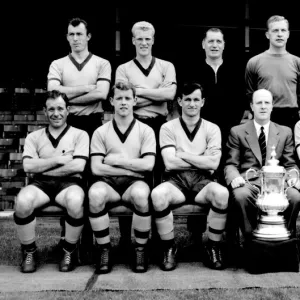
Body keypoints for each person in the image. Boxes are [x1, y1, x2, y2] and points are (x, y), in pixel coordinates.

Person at [151, 82, 229, 271]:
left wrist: (183, 154)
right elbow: (170, 163)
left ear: (203, 102)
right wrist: (201, 158)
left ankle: (213, 246)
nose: (192, 104)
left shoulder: (212, 128)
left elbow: (213, 164)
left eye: (196, 99)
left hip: (203, 181)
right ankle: (169, 247)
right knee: (157, 195)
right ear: (180, 101)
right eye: (187, 100)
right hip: (176, 180)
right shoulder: (168, 128)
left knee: (222, 194)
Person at [14, 90, 89, 273]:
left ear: (68, 110)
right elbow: (28, 167)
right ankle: (29, 251)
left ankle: (68, 250)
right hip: (41, 185)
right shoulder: (34, 137)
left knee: (76, 201)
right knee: (22, 202)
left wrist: (43, 165)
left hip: (70, 183)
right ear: (45, 111)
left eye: (60, 108)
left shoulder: (80, 135)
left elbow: (78, 166)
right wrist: (58, 160)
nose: (56, 113)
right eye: (51, 109)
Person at [88, 81, 156, 274]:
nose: (124, 102)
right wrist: (129, 169)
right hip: (108, 183)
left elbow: (148, 165)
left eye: (127, 98)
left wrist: (115, 161)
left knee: (142, 195)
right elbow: (96, 169)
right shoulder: (101, 131)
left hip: (134, 184)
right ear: (112, 101)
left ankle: (140, 249)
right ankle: (104, 249)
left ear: (135, 100)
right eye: (119, 98)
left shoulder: (146, 130)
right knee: (95, 195)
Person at [225, 89, 300, 243]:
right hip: (250, 183)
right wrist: (234, 177)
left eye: (267, 103)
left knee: (295, 196)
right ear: (252, 106)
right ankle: (252, 241)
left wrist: (294, 178)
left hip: (278, 185)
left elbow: (290, 163)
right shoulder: (237, 131)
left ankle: (286, 241)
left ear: (272, 106)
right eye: (259, 103)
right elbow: (231, 164)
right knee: (240, 195)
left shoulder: (284, 132)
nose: (263, 106)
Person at [115, 21, 177, 185]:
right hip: (134, 124)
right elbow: (124, 101)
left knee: (159, 168)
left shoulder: (166, 66)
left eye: (147, 39)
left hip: (159, 124)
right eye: (140, 39)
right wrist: (157, 93)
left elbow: (170, 94)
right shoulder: (123, 69)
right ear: (133, 40)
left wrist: (138, 91)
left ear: (153, 40)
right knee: (138, 169)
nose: (144, 43)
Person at [47, 17, 111, 137]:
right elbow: (52, 91)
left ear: (88, 36)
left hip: (93, 122)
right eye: (71, 34)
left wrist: (65, 99)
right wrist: (86, 88)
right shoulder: (57, 64)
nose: (75, 38)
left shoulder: (102, 63)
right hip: (66, 121)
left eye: (79, 34)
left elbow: (101, 94)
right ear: (67, 37)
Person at [185, 28, 244, 144]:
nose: (214, 45)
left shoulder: (236, 71)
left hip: (230, 132)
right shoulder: (192, 71)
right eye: (211, 41)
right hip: (199, 131)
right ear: (203, 44)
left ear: (224, 45)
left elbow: (240, 101)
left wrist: (233, 126)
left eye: (218, 41)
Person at [244, 15, 300, 130]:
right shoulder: (254, 62)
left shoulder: (297, 62)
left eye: (283, 30)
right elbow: (250, 92)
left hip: (291, 116)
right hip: (264, 115)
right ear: (267, 35)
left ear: (288, 34)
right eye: (275, 30)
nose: (279, 34)